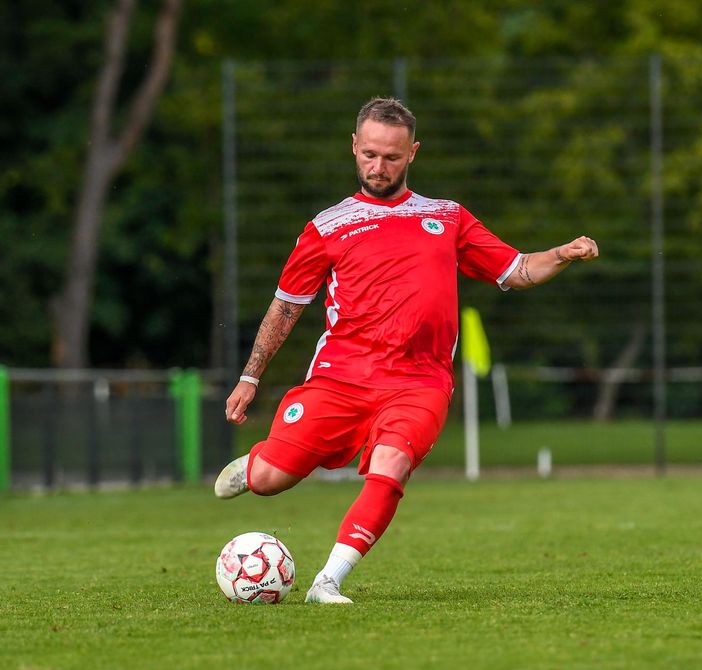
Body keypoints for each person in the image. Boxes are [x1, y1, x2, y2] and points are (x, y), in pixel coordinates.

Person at [215, 97, 599, 604]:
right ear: (354, 147)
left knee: (391, 463)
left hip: (419, 382)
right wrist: (249, 377)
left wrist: (562, 254)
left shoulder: (447, 217)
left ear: (413, 152)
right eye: (370, 154)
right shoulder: (327, 226)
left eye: (392, 157)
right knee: (268, 480)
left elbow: (517, 270)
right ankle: (260, 462)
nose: (379, 167)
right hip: (341, 379)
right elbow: (285, 308)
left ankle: (327, 581)